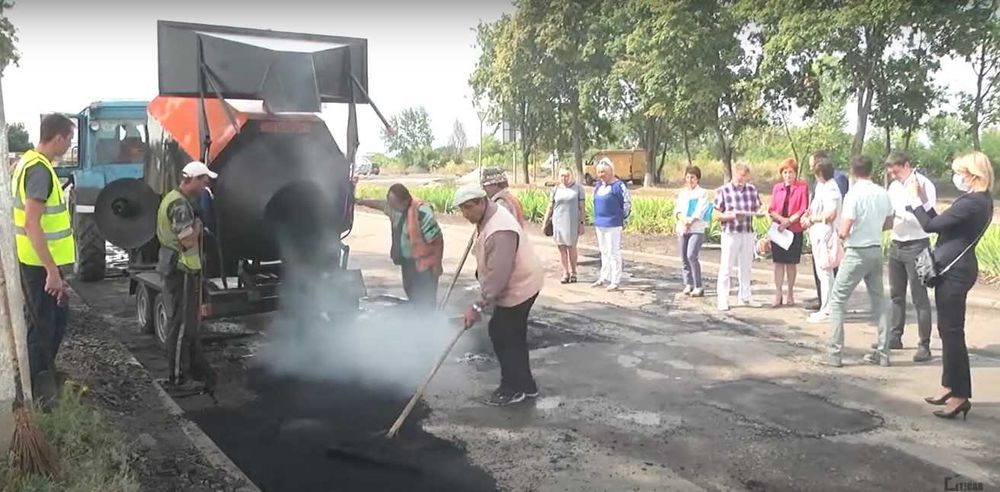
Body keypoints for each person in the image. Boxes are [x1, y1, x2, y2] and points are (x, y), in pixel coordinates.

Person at [908, 151, 993, 420]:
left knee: (953, 333)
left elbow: (931, 226)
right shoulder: (979, 201)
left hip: (955, 272)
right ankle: (949, 386)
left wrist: (913, 200)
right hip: (957, 269)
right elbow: (944, 224)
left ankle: (960, 396)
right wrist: (923, 200)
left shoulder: (972, 202)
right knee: (947, 331)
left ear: (973, 176)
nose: (958, 177)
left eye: (961, 173)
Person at [454, 185, 544, 406]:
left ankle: (511, 388)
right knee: (512, 335)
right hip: (518, 284)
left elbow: (498, 276)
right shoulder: (488, 216)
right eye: (461, 209)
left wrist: (477, 306)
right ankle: (526, 384)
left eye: (468, 208)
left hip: (519, 287)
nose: (465, 214)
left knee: (503, 334)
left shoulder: (500, 229)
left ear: (481, 202)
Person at [11, 113, 77, 400]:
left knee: (53, 321)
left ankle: (43, 379)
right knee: (43, 328)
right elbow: (31, 222)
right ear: (59, 137)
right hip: (40, 266)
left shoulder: (27, 162)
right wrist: (52, 270)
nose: (70, 145)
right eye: (70, 139)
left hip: (36, 262)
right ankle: (41, 396)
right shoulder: (39, 170)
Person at [821, 155, 894, 368]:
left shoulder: (853, 195)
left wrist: (841, 236)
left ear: (853, 172)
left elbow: (845, 228)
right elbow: (889, 222)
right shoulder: (882, 193)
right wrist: (872, 229)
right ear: (871, 170)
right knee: (879, 301)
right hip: (875, 249)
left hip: (856, 251)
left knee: (837, 300)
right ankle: (883, 353)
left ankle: (834, 353)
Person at [156, 161, 218, 392]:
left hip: (181, 268)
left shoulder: (174, 198)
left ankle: (188, 370)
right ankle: (177, 378)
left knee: (187, 324)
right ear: (191, 179)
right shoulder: (180, 206)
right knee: (180, 325)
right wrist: (199, 225)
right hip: (180, 269)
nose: (206, 185)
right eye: (203, 180)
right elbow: (188, 240)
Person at [355, 182, 444, 306]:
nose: (390, 206)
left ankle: (429, 322)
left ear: (404, 201)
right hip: (407, 264)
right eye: (389, 203)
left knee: (425, 300)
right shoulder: (394, 210)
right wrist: (361, 201)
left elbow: (437, 240)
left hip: (424, 265)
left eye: (393, 204)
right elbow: (380, 204)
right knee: (412, 295)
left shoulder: (421, 212)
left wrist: (437, 264)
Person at [883, 151, 935, 362]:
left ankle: (924, 345)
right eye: (890, 172)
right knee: (896, 295)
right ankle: (896, 335)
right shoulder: (894, 187)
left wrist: (902, 213)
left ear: (906, 165)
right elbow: (888, 213)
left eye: (896, 171)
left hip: (917, 245)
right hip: (897, 244)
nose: (893, 176)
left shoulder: (923, 185)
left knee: (920, 298)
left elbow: (928, 219)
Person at [714, 163, 763, 311]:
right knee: (726, 267)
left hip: (747, 231)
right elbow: (716, 214)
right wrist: (730, 216)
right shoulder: (723, 190)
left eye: (745, 176)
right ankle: (723, 299)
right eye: (740, 175)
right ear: (734, 174)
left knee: (746, 266)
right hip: (731, 231)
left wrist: (760, 212)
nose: (742, 179)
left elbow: (758, 207)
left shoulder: (751, 190)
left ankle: (745, 296)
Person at [800, 158, 842, 323]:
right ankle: (826, 306)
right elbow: (815, 207)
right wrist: (807, 216)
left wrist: (813, 219)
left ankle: (828, 308)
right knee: (822, 272)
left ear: (820, 174)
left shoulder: (832, 189)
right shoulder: (822, 187)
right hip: (817, 232)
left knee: (825, 272)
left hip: (825, 233)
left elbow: (830, 215)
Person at [767, 158, 810, 307]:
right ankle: (778, 293)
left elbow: (803, 207)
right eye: (785, 172)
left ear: (795, 173)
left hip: (794, 229)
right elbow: (771, 209)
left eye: (790, 172)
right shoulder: (777, 188)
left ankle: (790, 293)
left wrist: (789, 221)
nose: (788, 175)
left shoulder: (802, 187)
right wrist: (781, 220)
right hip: (779, 229)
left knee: (791, 264)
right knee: (778, 263)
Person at [591, 158, 631, 291]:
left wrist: (623, 218)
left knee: (614, 252)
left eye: (603, 172)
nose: (601, 175)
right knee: (603, 251)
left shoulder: (618, 186)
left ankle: (615, 279)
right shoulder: (598, 186)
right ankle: (604, 276)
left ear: (611, 171)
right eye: (599, 172)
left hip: (613, 223)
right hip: (600, 223)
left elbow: (626, 203)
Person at [541, 168, 586, 283]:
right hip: (558, 221)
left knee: (571, 247)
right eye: (561, 176)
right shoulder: (556, 189)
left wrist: (582, 223)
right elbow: (550, 206)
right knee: (561, 247)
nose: (564, 178)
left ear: (571, 176)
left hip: (572, 221)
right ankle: (565, 272)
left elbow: (582, 208)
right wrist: (545, 222)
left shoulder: (578, 189)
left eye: (566, 176)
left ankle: (573, 271)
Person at [674, 166, 710, 297]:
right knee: (684, 257)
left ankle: (698, 285)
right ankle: (688, 283)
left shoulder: (702, 193)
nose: (690, 180)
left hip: (696, 229)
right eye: (688, 177)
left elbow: (700, 210)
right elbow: (677, 210)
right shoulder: (682, 193)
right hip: (682, 228)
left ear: (697, 179)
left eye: (693, 177)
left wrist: (690, 222)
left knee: (691, 255)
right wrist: (683, 221)